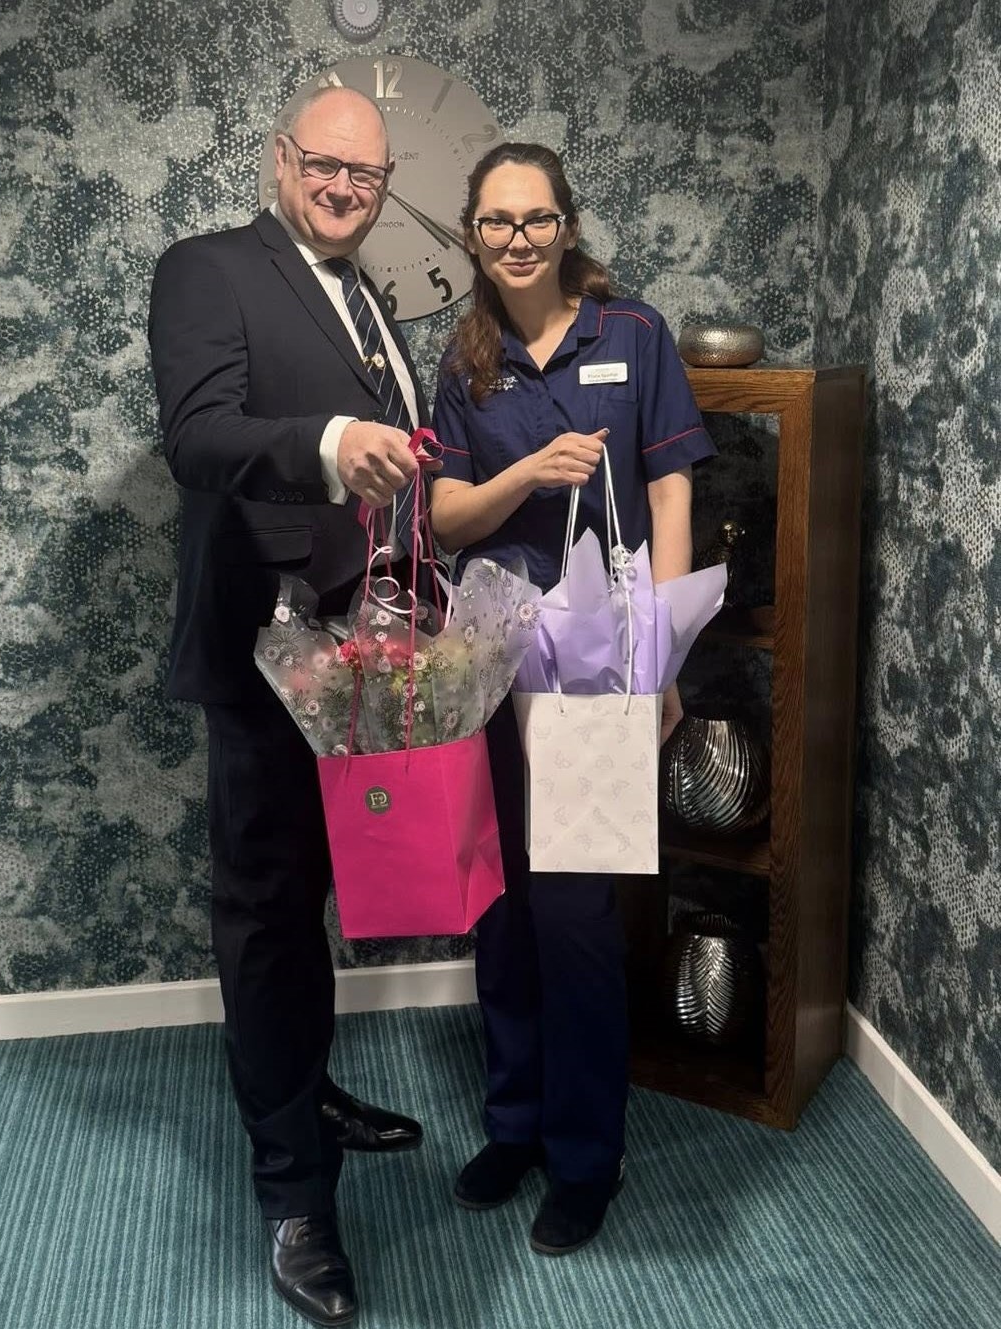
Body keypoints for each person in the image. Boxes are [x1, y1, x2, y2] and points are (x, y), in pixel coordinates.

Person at [148, 86, 432, 1326]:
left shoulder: (372, 300)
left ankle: (303, 1090)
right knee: (266, 916)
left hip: (359, 653)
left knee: (317, 895)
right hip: (267, 655)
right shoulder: (209, 269)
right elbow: (199, 436)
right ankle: (293, 1197)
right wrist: (327, 442)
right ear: (278, 158)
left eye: (365, 175)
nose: (341, 188)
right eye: (323, 164)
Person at [429, 142, 716, 1256]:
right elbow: (447, 518)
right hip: (493, 662)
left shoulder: (631, 334)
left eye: (537, 218)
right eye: (497, 221)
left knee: (578, 918)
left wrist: (663, 659)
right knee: (501, 907)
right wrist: (527, 473)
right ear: (472, 233)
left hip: (599, 669)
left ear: (566, 225)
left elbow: (671, 490)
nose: (518, 238)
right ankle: (514, 1125)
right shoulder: (463, 358)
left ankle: (587, 1155)